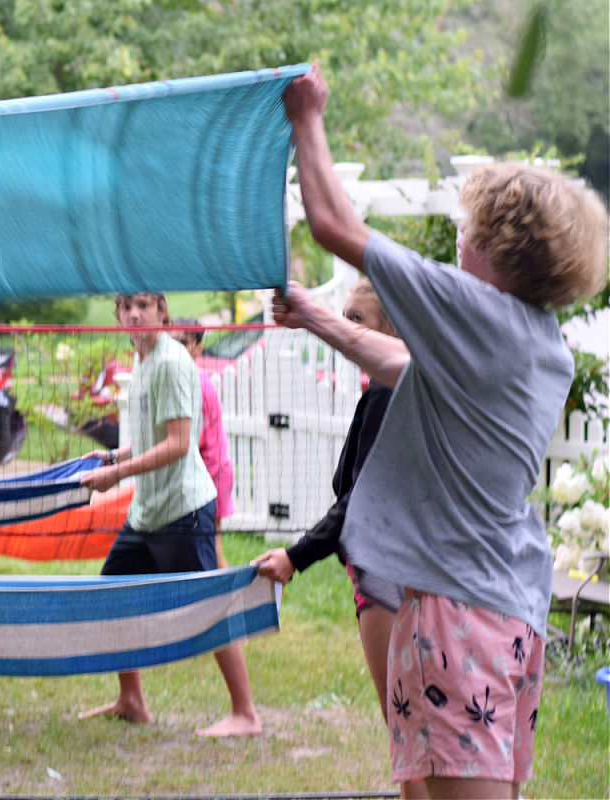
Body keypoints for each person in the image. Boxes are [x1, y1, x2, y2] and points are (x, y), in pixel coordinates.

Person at [278, 63, 607, 799]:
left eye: (468, 228)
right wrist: (315, 315)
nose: (460, 239)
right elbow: (401, 361)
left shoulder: (473, 310)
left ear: (491, 244)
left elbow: (333, 225)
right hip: (510, 607)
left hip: (457, 614)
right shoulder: (537, 340)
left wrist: (308, 114)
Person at [78, 292, 261, 737]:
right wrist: (112, 457)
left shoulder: (172, 361)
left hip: (184, 510)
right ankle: (131, 700)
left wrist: (118, 473)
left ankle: (245, 714)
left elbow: (180, 443)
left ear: (162, 311)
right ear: (118, 316)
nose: (135, 313)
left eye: (144, 304)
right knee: (113, 597)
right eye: (127, 307)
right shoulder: (141, 361)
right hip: (147, 513)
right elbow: (149, 436)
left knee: (209, 609)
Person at [251, 280, 401, 722]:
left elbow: (361, 496)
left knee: (402, 721)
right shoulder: (382, 387)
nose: (344, 328)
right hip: (383, 566)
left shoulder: (386, 391)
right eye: (344, 315)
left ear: (388, 332)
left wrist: (296, 556)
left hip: (385, 573)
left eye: (356, 320)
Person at [171, 318, 235, 571]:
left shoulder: (196, 384)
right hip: (204, 476)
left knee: (211, 553)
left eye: (183, 343)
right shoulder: (186, 379)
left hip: (212, 477)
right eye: (172, 342)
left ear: (197, 348)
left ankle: (241, 597)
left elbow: (187, 441)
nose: (176, 349)